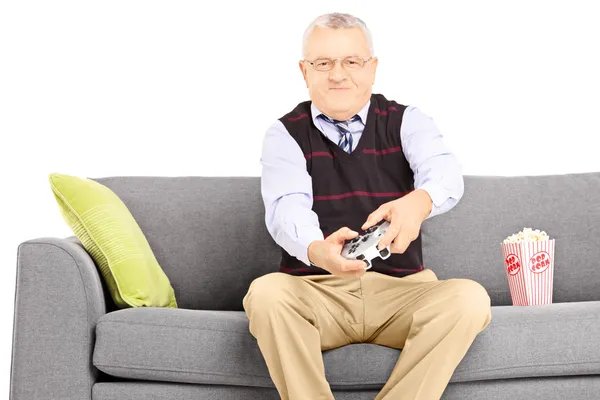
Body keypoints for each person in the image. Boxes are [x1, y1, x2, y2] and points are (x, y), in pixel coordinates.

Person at [242, 12, 492, 400]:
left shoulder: (407, 120)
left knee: (469, 298)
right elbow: (286, 208)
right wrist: (318, 251)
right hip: (319, 292)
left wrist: (418, 202)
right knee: (266, 293)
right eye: (322, 63)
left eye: (351, 61)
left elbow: (444, 172)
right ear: (304, 71)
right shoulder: (284, 134)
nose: (338, 75)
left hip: (402, 293)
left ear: (372, 68)